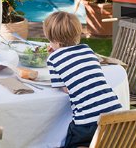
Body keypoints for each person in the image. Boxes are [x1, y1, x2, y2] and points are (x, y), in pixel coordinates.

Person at [43, 11, 123, 148]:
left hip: (87, 121)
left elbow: (65, 88)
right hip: (115, 114)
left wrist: (53, 56)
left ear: (52, 39)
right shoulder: (87, 50)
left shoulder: (53, 58)